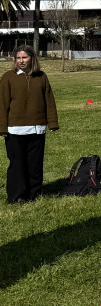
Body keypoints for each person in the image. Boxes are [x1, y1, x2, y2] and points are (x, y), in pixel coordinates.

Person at [2, 46, 58, 203]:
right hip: (14, 130)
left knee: (35, 164)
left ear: (32, 59)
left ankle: (34, 194)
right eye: (18, 58)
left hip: (37, 128)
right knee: (16, 164)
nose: (21, 61)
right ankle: (15, 196)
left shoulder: (41, 77)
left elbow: (49, 100)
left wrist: (52, 122)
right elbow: (2, 104)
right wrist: (2, 127)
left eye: (24, 57)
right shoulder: (8, 77)